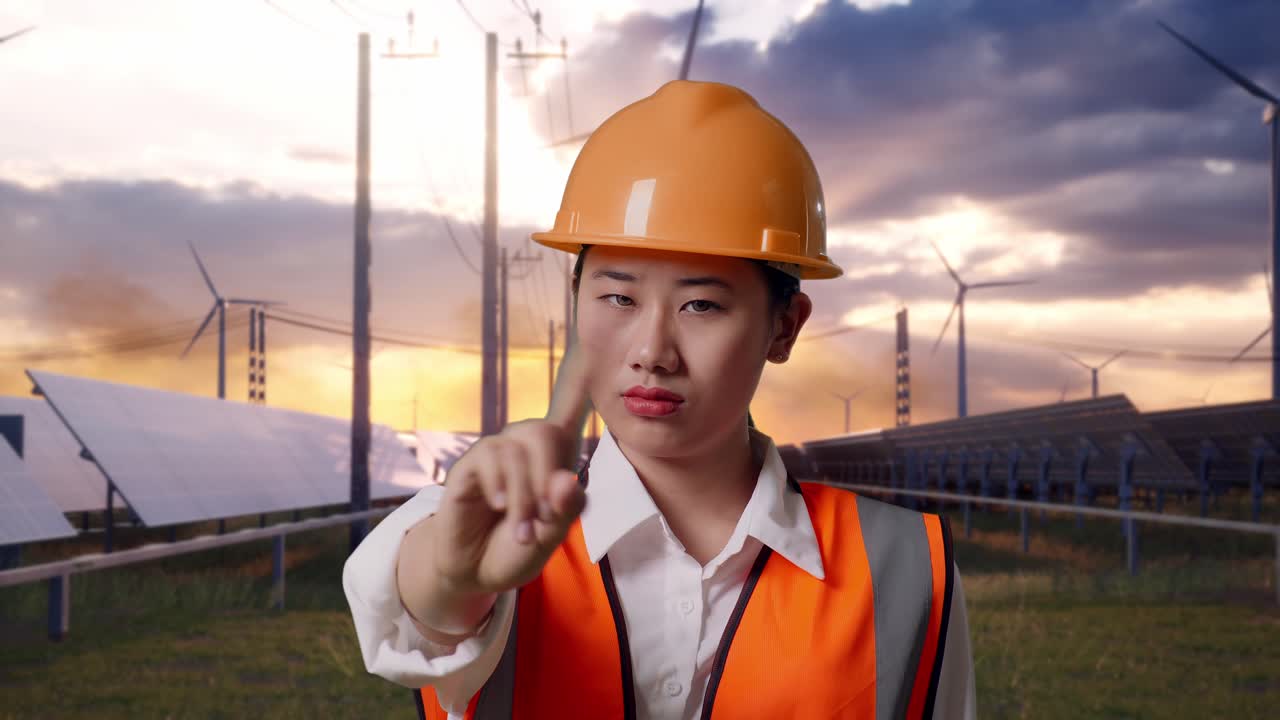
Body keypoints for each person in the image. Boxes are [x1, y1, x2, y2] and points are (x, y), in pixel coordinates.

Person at [343, 79, 977, 719]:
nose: (652, 351)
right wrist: (453, 577)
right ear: (575, 302)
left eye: (701, 304)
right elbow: (412, 611)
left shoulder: (906, 568)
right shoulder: (486, 531)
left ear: (784, 326)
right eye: (619, 298)